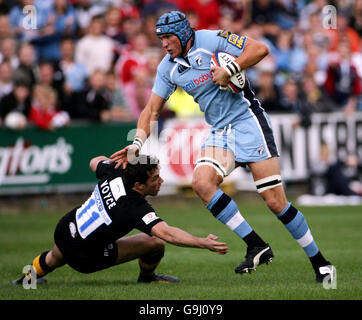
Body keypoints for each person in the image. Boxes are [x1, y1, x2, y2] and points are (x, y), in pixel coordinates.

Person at [110, 11, 335, 283]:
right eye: (160, 39)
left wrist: (230, 69)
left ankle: (320, 263)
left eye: (168, 37)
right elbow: (151, 109)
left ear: (182, 33)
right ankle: (256, 245)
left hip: (248, 122)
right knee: (202, 184)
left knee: (275, 202)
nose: (164, 44)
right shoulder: (167, 67)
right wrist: (135, 144)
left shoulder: (212, 39)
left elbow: (259, 49)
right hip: (220, 131)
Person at [13, 154, 228, 285]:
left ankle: (26, 281)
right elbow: (167, 233)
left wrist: (120, 161)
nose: (161, 181)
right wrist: (203, 242)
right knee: (155, 243)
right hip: (85, 257)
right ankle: (147, 278)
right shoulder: (133, 207)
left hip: (65, 229)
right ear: (139, 186)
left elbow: (93, 162)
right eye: (155, 179)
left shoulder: (117, 171)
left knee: (53, 258)